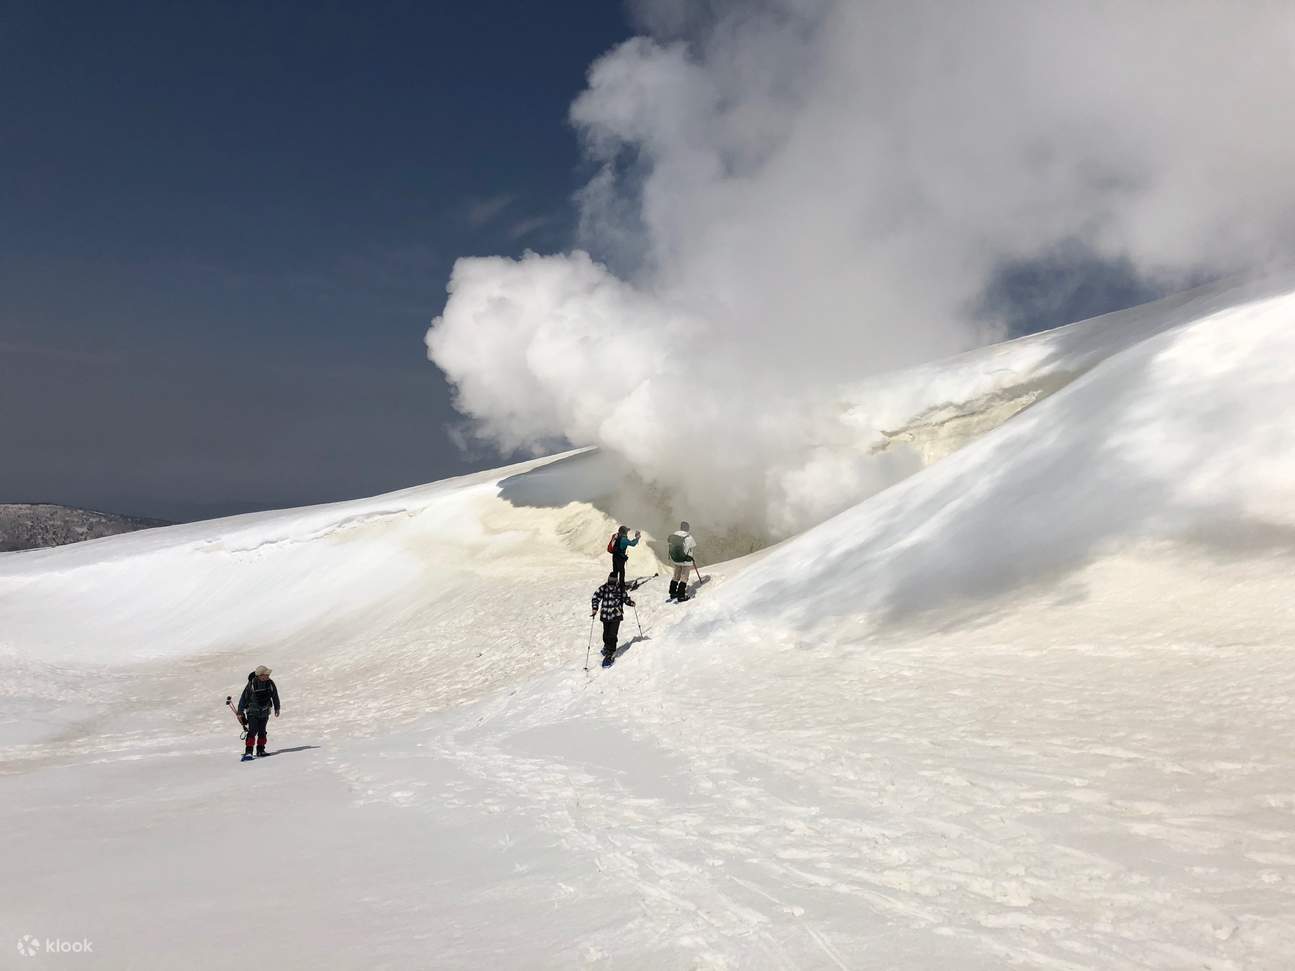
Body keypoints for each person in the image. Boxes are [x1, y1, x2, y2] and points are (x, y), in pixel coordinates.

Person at [591, 572, 635, 668]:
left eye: (613, 581)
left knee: (612, 634)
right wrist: (595, 608)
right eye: (610, 580)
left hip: (616, 615)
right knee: (606, 634)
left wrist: (630, 602)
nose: (611, 583)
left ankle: (609, 654)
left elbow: (625, 598)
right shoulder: (603, 588)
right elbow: (596, 597)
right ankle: (606, 647)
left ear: (616, 581)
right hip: (605, 616)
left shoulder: (620, 589)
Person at [237, 665, 281, 760]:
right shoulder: (251, 685)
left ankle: (261, 750)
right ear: (260, 675)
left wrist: (277, 708)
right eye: (266, 674)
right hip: (252, 712)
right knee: (252, 731)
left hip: (265, 712)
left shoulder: (270, 683)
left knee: (262, 731)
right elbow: (243, 698)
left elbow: (275, 695)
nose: (268, 676)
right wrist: (240, 712)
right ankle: (248, 752)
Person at [667, 521, 697, 601]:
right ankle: (681, 595)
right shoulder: (689, 537)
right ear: (687, 528)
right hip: (686, 560)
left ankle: (673, 593)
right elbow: (694, 545)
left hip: (676, 559)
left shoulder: (675, 535)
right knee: (684, 578)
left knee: (676, 576)